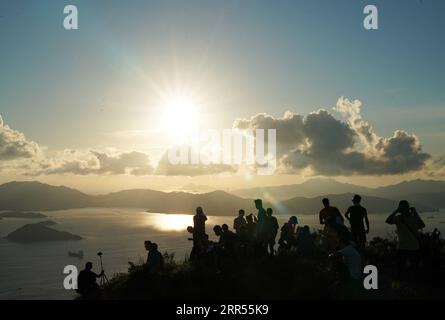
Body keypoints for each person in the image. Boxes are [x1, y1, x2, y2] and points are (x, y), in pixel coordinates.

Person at [386, 200, 425, 282]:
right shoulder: (413, 217)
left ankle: (403, 283)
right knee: (413, 267)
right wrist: (415, 213)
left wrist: (396, 211)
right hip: (413, 246)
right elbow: (422, 225)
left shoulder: (398, 218)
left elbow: (388, 220)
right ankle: (413, 283)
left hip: (402, 246)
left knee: (401, 267)